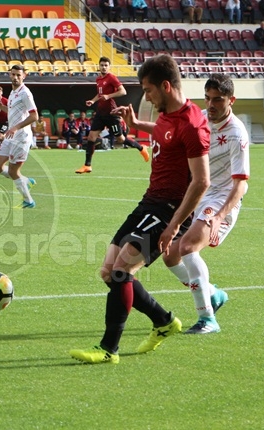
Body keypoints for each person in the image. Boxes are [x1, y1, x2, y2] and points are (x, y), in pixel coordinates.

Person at [69, 54, 210, 364]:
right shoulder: (166, 114)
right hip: (149, 202)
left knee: (122, 270)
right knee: (109, 272)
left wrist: (174, 226)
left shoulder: (192, 123)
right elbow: (163, 132)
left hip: (169, 209)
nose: (145, 96)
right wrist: (136, 125)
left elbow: (201, 182)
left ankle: (108, 349)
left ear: (166, 86)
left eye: (148, 90)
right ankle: (163, 321)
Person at [162, 74, 248, 334]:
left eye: (218, 100)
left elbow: (241, 184)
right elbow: (167, 132)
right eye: (208, 99)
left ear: (231, 100)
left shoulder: (236, 133)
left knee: (187, 247)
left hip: (221, 197)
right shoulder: (198, 117)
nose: (210, 105)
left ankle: (207, 319)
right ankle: (212, 293)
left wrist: (221, 215)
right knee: (170, 255)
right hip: (196, 193)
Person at [76, 57, 149, 174]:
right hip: (100, 113)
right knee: (91, 137)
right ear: (98, 66)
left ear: (109, 67)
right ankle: (87, 165)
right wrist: (93, 101)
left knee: (120, 139)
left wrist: (108, 96)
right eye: (102, 65)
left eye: (106, 65)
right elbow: (100, 94)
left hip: (111, 113)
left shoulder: (111, 78)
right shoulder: (98, 79)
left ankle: (141, 148)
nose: (104, 67)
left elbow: (123, 91)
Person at [0, 65, 38, 208]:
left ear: (24, 76)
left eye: (18, 75)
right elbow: (14, 111)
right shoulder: (12, 92)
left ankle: (28, 201)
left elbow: (34, 116)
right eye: (13, 74)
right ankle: (25, 181)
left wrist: (16, 127)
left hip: (21, 136)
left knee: (12, 171)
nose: (16, 77)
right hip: (11, 136)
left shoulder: (25, 93)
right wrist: (2, 107)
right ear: (9, 75)